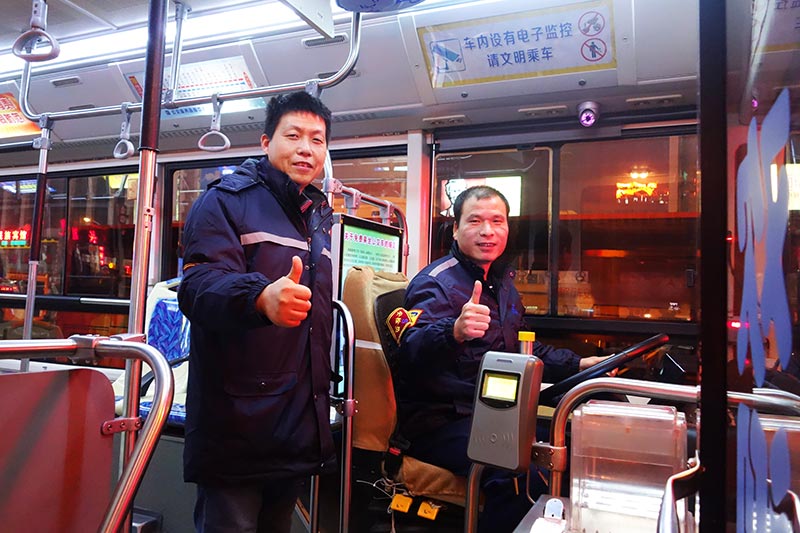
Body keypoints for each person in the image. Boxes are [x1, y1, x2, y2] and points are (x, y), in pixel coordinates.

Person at [394, 185, 610, 532]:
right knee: (523, 474)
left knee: (576, 445)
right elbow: (410, 349)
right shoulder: (435, 283)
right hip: (442, 421)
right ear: (455, 229)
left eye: (497, 221)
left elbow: (523, 349)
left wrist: (579, 364)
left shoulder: (502, 283)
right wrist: (454, 331)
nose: (487, 231)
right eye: (475, 221)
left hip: (493, 411)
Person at [178, 91, 335, 533]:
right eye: (294, 136)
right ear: (266, 142)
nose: (306, 149)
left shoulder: (315, 215)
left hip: (294, 420)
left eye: (317, 140)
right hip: (238, 422)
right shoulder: (226, 201)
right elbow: (198, 287)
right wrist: (260, 298)